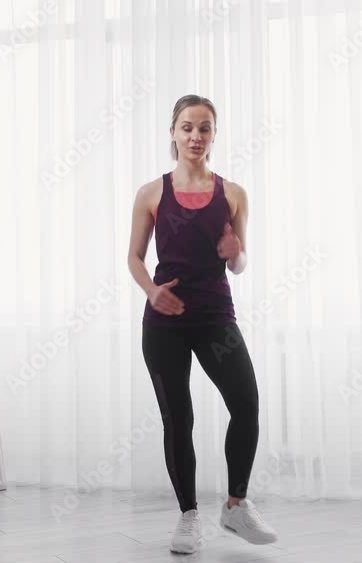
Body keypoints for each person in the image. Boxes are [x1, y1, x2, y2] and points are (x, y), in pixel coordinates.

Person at [127, 94, 278, 554]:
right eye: (188, 127)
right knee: (179, 418)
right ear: (173, 132)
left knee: (246, 404)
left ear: (214, 135)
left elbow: (239, 263)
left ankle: (236, 505)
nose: (196, 136)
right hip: (165, 321)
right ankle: (188, 515)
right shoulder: (151, 193)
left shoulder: (233, 194)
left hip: (215, 318)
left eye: (205, 128)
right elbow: (134, 258)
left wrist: (237, 254)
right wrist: (152, 292)